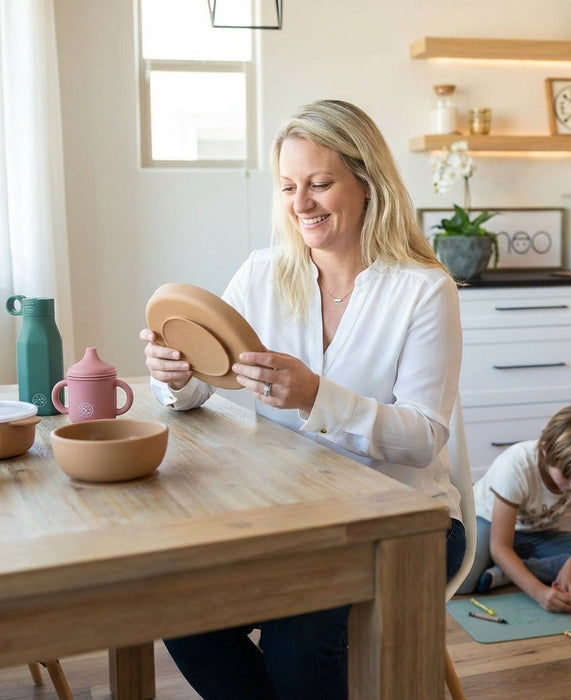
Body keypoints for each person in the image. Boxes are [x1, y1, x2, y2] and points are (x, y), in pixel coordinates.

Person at [140, 99, 467, 699]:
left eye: (320, 183)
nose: (301, 204)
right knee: (182, 613)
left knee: (300, 630)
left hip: (403, 523)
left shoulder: (423, 290)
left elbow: (423, 439)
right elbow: (202, 389)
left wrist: (317, 395)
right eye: (289, 186)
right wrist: (176, 373)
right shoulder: (262, 275)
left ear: (368, 184)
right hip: (287, 518)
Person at [457, 403, 571, 613]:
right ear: (546, 449)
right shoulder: (516, 466)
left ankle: (508, 572)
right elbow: (500, 546)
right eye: (567, 475)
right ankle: (513, 568)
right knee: (462, 582)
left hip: (537, 534)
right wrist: (538, 593)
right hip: (487, 524)